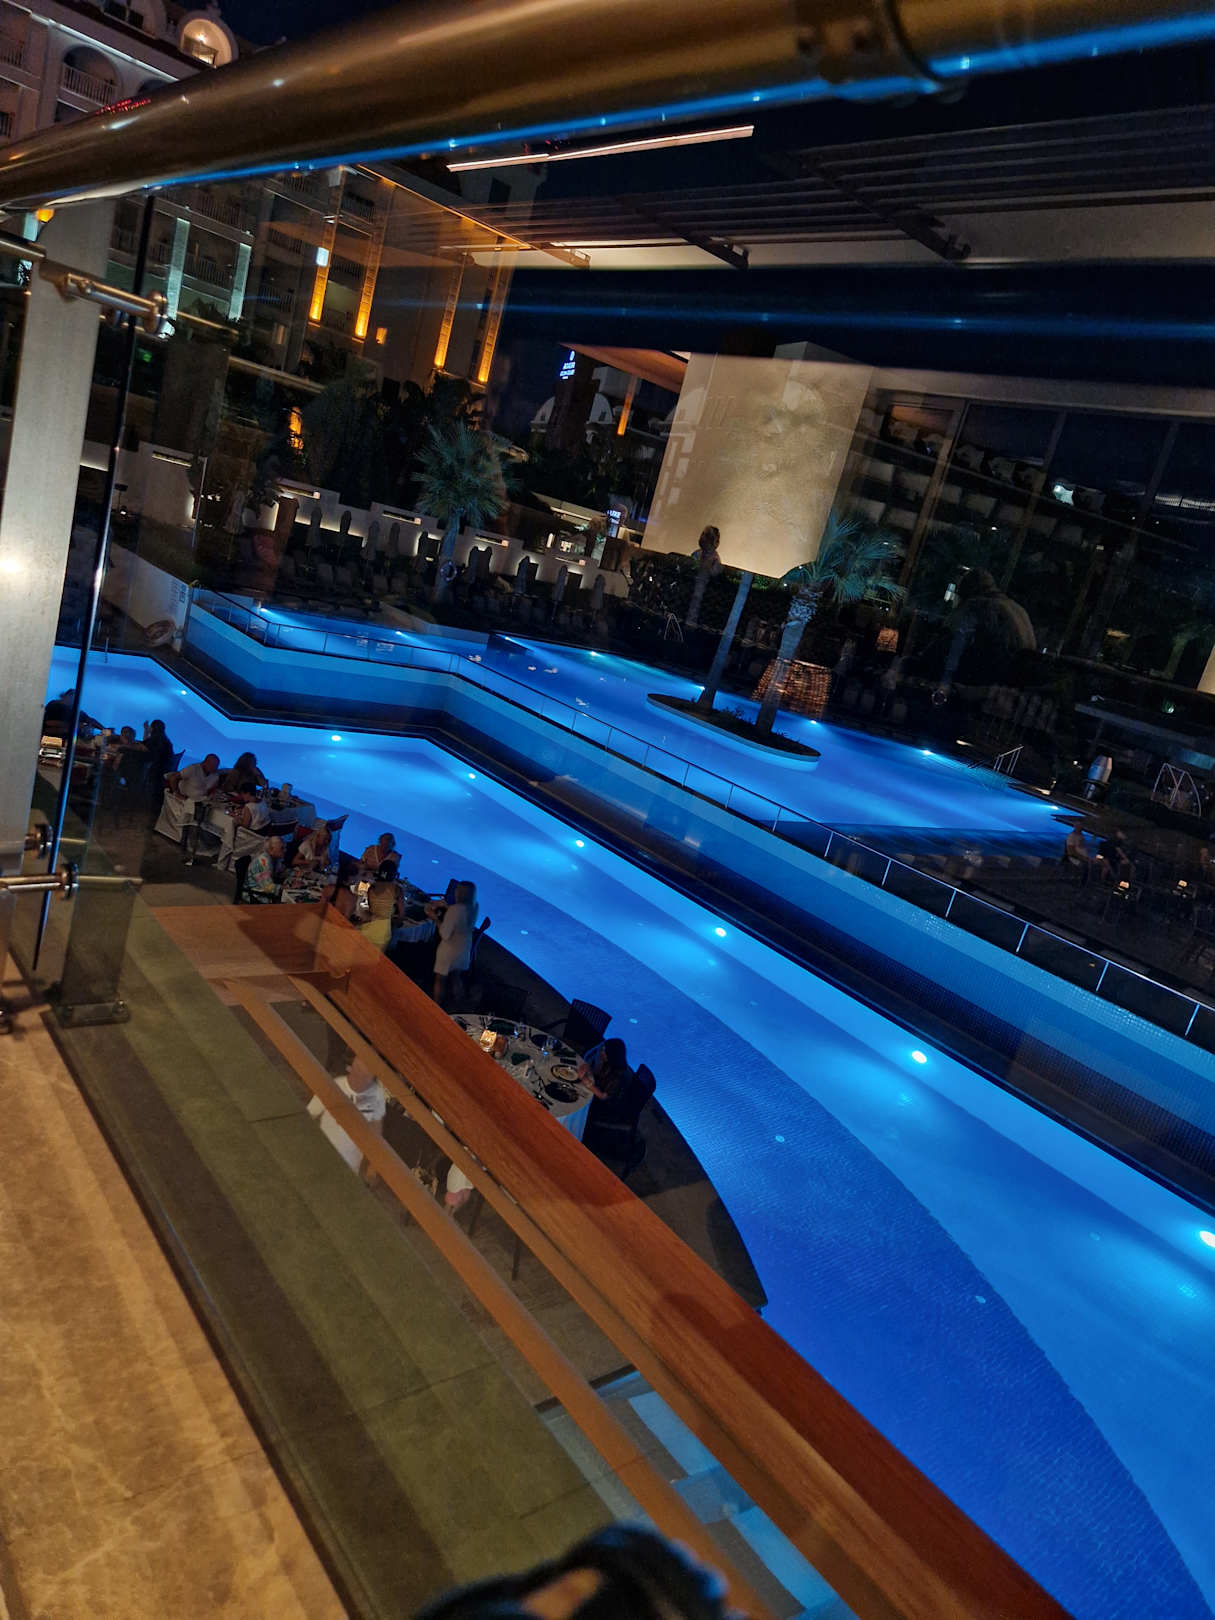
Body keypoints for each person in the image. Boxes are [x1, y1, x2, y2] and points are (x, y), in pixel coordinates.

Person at [306, 1054, 386, 1180]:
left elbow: (376, 1134)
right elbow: (309, 1114)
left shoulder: (376, 1097)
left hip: (347, 1170)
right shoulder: (334, 1086)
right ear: (350, 1068)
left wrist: (372, 1168)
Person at [427, 879, 477, 1006]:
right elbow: (461, 916)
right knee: (456, 978)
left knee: (440, 980)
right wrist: (448, 908)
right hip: (463, 951)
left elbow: (444, 934)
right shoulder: (474, 908)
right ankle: (460, 1005)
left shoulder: (454, 911)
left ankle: (436, 1007)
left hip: (449, 952)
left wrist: (435, 918)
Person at [580, 1037, 635, 1118]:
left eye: (604, 1050)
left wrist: (587, 1083)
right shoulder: (610, 1062)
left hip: (606, 1106)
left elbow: (604, 1097)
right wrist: (588, 1069)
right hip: (599, 1089)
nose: (602, 1052)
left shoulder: (619, 1075)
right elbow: (599, 1076)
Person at [359, 859, 403, 951]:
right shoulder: (397, 889)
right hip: (382, 932)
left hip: (367, 927)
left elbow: (369, 907)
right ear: (394, 874)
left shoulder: (371, 887)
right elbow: (401, 917)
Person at [244, 835, 286, 901]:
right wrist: (286, 888)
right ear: (271, 849)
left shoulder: (274, 859)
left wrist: (294, 873)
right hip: (256, 896)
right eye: (282, 848)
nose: (285, 850)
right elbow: (268, 887)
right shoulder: (262, 862)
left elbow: (281, 871)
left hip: (264, 892)